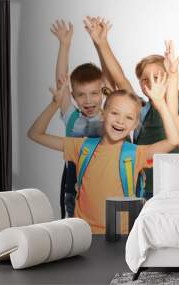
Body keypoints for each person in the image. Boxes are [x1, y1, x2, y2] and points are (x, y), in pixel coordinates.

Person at [27, 73, 179, 234]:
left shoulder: (135, 153)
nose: (120, 121)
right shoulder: (82, 147)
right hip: (83, 233)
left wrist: (160, 103)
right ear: (103, 114)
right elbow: (35, 134)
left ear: (135, 125)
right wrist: (54, 104)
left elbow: (173, 140)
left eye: (128, 117)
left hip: (121, 236)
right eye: (115, 113)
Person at [83, 16, 179, 198]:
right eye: (145, 79)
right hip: (144, 184)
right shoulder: (139, 107)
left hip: (176, 184)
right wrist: (102, 43)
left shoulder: (176, 103)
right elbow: (120, 79)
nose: (151, 82)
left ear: (169, 78)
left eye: (157, 76)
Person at [50, 20, 111, 218]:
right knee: (77, 238)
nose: (88, 100)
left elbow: (109, 79)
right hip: (74, 190)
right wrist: (64, 45)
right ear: (74, 97)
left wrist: (100, 43)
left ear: (102, 92)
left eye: (94, 93)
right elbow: (61, 81)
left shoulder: (112, 115)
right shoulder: (72, 118)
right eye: (81, 95)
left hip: (106, 188)